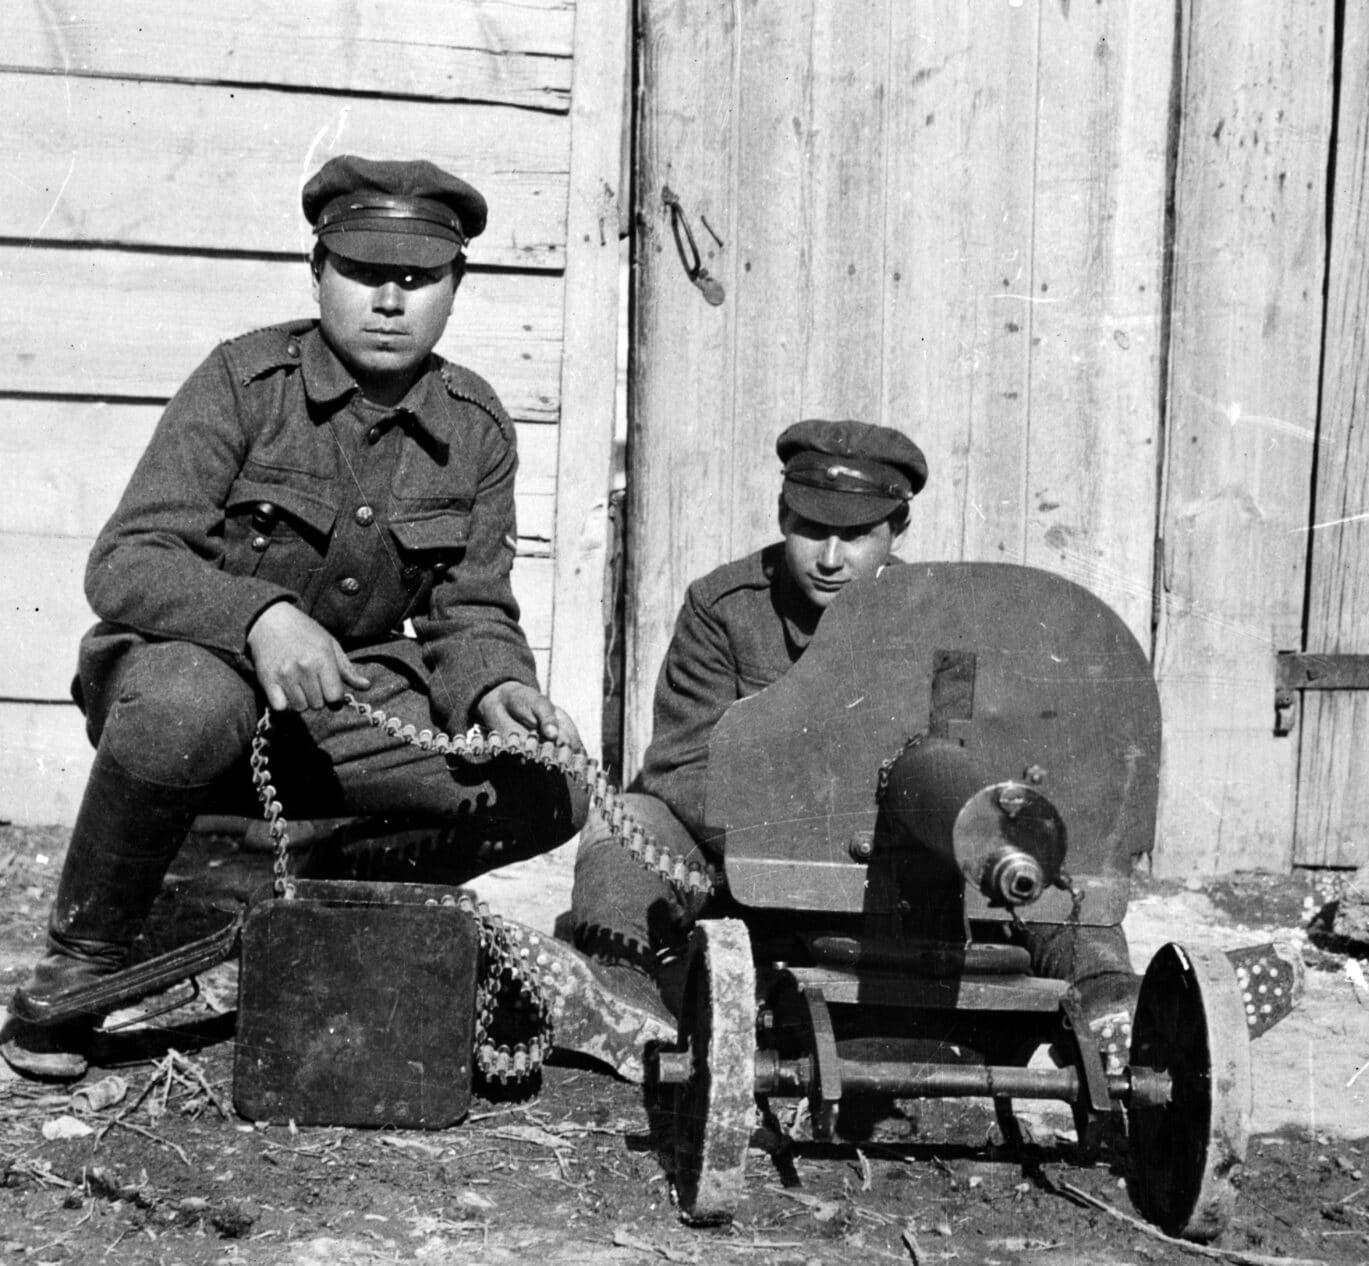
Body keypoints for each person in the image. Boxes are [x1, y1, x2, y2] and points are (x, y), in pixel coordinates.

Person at [1, 155, 669, 1083]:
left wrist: (499, 686)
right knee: (189, 703)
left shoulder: (475, 425)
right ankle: (88, 958)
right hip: (192, 680)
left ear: (454, 286)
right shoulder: (243, 382)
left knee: (544, 786)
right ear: (317, 271)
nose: (389, 301)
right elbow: (127, 561)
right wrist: (261, 616)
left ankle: (308, 912)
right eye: (362, 273)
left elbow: (467, 606)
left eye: (417, 278)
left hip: (344, 716)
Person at [571, 419, 1140, 1064]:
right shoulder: (724, 607)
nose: (831, 558)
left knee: (1030, 846)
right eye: (812, 530)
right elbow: (684, 764)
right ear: (783, 516)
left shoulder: (941, 618)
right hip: (755, 861)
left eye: (857, 535)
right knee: (626, 824)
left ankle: (1111, 1007)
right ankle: (619, 996)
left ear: (898, 531)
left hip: (905, 866)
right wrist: (799, 831)